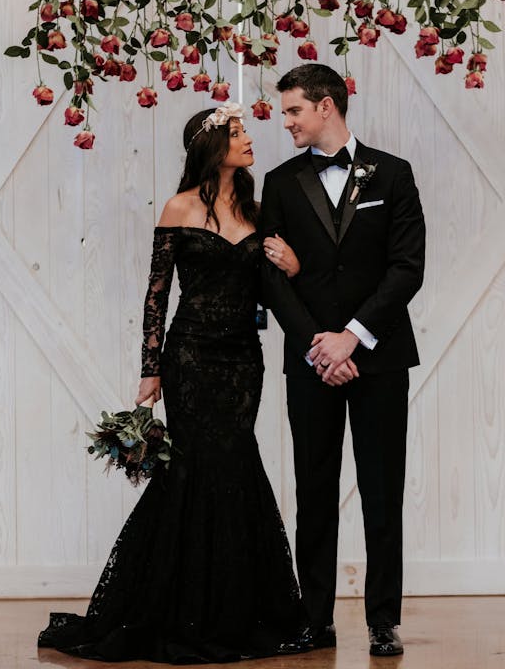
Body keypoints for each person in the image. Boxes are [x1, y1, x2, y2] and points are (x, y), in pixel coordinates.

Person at [38, 103, 308, 663]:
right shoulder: (178, 207)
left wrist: (295, 268)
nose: (250, 137)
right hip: (189, 359)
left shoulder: (260, 213)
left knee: (235, 465)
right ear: (212, 147)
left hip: (242, 362)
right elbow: (156, 293)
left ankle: (235, 609)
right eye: (238, 132)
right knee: (189, 471)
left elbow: (268, 293)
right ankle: (175, 607)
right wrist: (150, 367)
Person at [259, 63, 426, 658]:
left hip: (378, 359)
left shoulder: (395, 174)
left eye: (293, 111)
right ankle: (315, 618)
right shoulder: (277, 184)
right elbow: (271, 281)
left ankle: (384, 618)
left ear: (326, 106)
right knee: (314, 488)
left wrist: (351, 337)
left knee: (384, 491)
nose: (286, 123)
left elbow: (407, 269)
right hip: (310, 363)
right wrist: (317, 346)